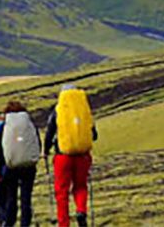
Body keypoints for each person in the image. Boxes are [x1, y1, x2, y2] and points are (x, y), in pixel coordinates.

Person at [43, 85, 98, 227]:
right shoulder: (83, 109)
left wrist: (45, 150)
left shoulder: (58, 110)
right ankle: (81, 211)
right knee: (81, 186)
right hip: (83, 156)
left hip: (63, 156)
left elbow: (50, 132)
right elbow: (94, 134)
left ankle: (64, 224)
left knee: (62, 192)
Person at [0, 101, 43, 226]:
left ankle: (9, 223)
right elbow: (37, 143)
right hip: (28, 167)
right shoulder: (29, 124)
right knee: (26, 199)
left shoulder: (5, 126)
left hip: (10, 167)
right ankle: (25, 224)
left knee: (11, 198)